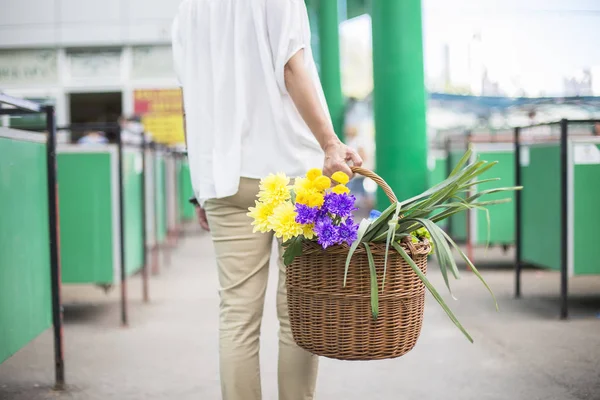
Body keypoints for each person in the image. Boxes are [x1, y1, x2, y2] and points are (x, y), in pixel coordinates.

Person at [171, 1, 363, 399]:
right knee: (297, 312)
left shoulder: (188, 11)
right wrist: (330, 142)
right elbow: (292, 68)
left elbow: (189, 103)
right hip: (290, 172)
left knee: (237, 315)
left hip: (223, 178)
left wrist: (200, 185)